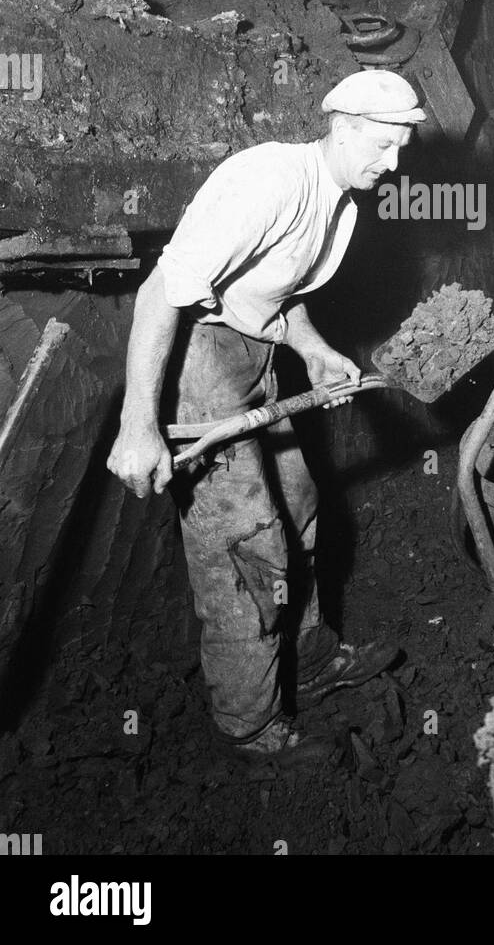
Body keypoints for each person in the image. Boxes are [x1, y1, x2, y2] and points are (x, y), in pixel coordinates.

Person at [107, 70, 425, 760]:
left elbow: (272, 292)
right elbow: (161, 291)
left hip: (252, 357)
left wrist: (311, 348)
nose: (394, 163)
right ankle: (249, 724)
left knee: (302, 509)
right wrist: (139, 426)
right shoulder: (272, 180)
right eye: (382, 145)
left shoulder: (340, 202)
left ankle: (307, 660)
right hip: (197, 362)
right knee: (246, 546)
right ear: (341, 129)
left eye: (403, 146)